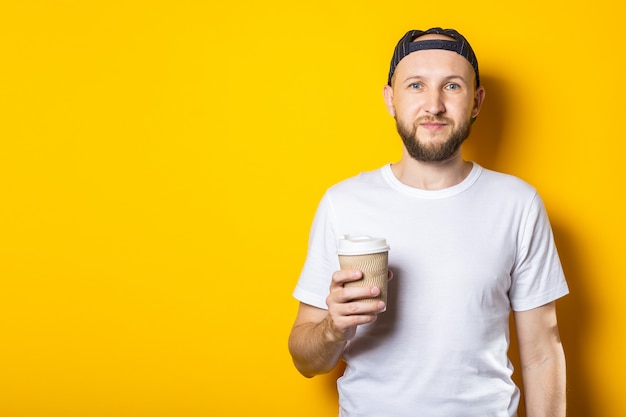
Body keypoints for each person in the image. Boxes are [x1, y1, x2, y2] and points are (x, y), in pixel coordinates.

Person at [288, 27, 569, 417]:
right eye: (416, 85)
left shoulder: (518, 204)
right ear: (390, 99)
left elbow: (542, 354)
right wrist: (333, 329)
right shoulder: (344, 203)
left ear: (476, 101)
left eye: (452, 86)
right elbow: (305, 361)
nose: (433, 105)